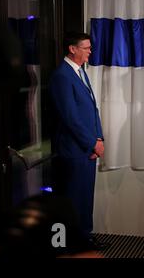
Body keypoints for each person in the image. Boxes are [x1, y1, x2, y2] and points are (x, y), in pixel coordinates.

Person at [49, 32, 105, 248]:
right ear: (72, 49)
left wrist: (98, 138)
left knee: (84, 197)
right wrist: (92, 143)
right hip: (73, 150)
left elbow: (92, 108)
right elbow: (70, 117)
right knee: (71, 199)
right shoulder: (61, 76)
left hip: (88, 147)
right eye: (86, 47)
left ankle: (84, 237)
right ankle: (66, 244)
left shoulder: (80, 71)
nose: (90, 51)